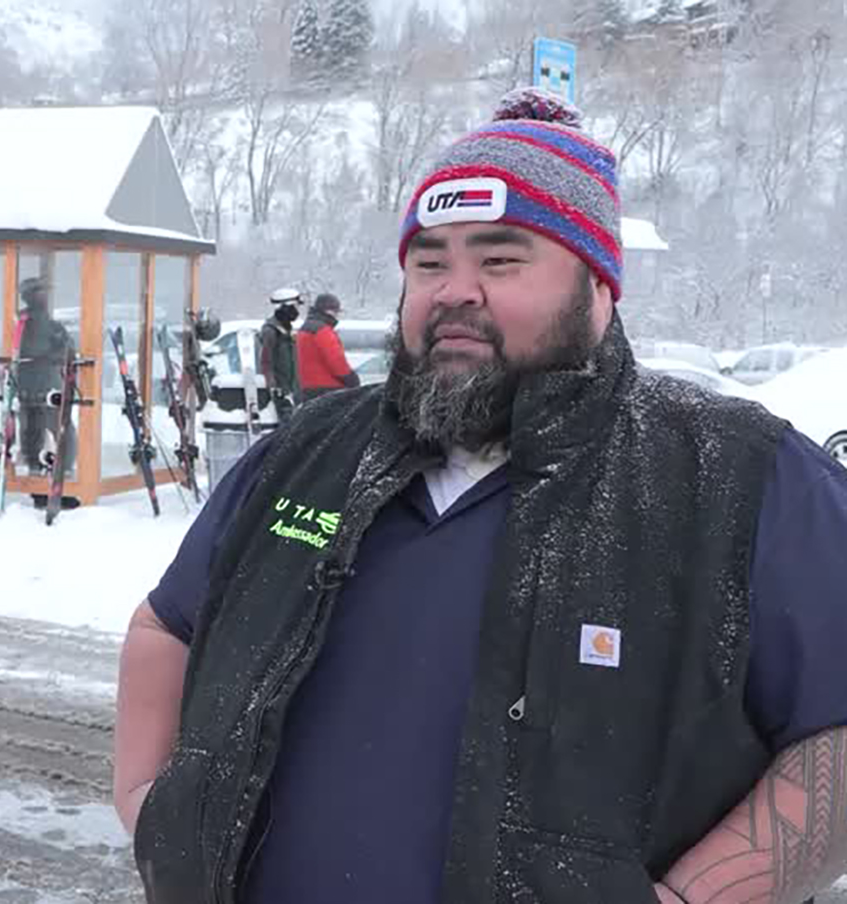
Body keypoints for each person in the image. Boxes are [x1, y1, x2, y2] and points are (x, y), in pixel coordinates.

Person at [114, 87, 847, 904]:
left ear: (600, 287)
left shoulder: (737, 476)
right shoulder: (306, 452)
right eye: (430, 261)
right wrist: (152, 804)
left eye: (500, 260)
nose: (454, 290)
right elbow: (165, 622)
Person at [16, 276, 74, 478]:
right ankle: (35, 466)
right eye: (38, 292)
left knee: (58, 425)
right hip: (30, 383)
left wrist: (55, 355)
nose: (43, 296)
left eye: (44, 292)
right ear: (28, 296)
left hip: (49, 384)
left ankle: (63, 467)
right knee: (32, 427)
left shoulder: (52, 326)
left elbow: (68, 351)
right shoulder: (22, 323)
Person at [296, 292, 360, 401]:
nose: (337, 315)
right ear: (328, 311)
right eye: (336, 311)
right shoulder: (323, 330)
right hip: (329, 389)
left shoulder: (304, 329)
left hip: (308, 388)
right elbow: (336, 361)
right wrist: (352, 379)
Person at [259, 287, 301, 421]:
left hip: (291, 392)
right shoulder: (270, 331)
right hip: (280, 393)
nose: (296, 311)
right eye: (293, 307)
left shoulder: (287, 330)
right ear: (283, 307)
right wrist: (274, 388)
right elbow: (265, 362)